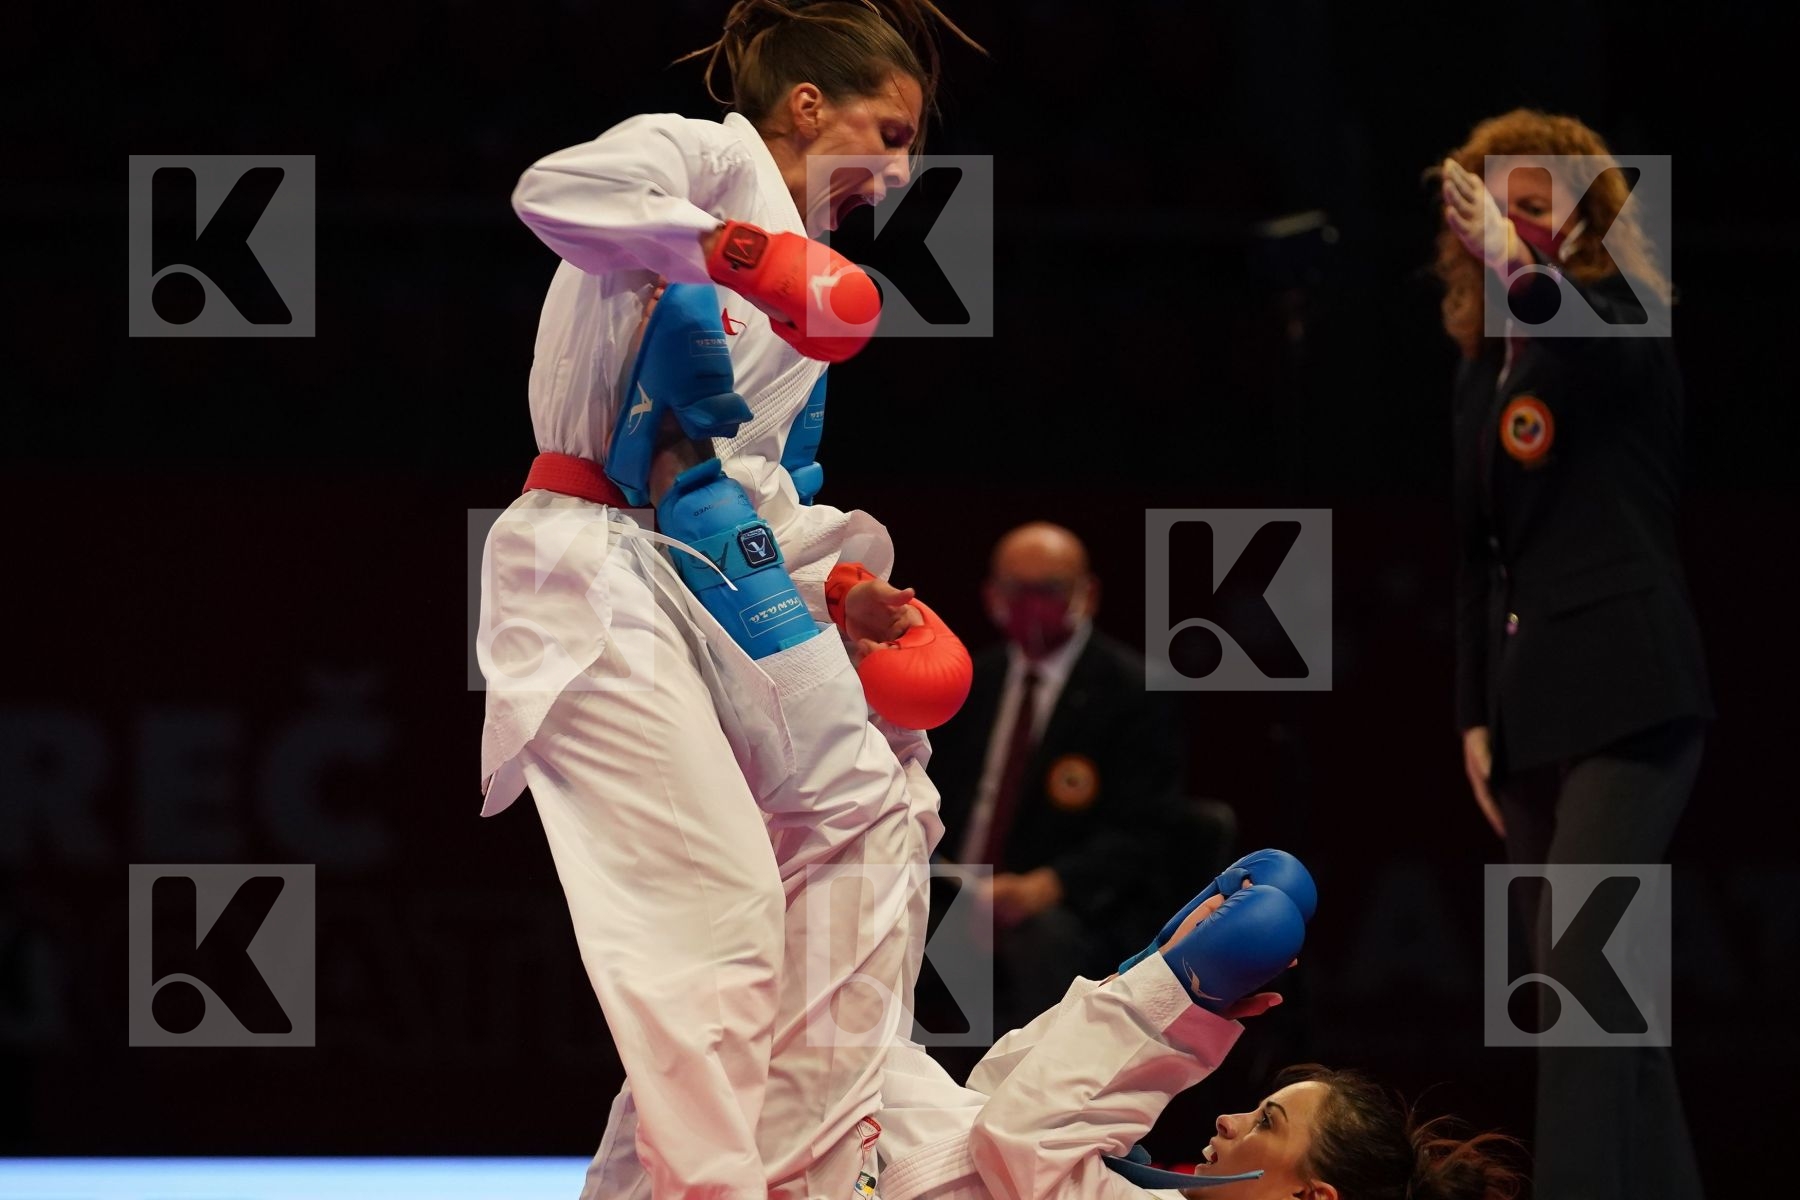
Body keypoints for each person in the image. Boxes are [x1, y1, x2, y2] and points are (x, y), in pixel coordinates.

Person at [475, 4, 981, 1198]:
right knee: (718, 912)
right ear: (809, 106)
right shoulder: (703, 161)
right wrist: (738, 251)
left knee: (874, 810)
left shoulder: (812, 306)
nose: (900, 173)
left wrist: (843, 584)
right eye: (889, 132)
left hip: (698, 571)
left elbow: (758, 481)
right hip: (591, 558)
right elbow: (553, 191)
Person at [1435, 109, 1712, 1200]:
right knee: (1602, 1005)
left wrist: (1519, 269)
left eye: (1535, 204)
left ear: (1583, 219)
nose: (1508, 221)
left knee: (1584, 990)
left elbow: (1586, 341)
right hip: (1526, 711)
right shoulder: (1476, 375)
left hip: (1632, 692)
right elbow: (1475, 561)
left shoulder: (1622, 322)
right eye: (1491, 204)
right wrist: (1471, 714)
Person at [929, 522, 1190, 1031]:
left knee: (1040, 939)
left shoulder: (1134, 691)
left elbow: (1145, 828)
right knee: (870, 915)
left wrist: (1047, 885)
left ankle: (1033, 1096)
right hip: (959, 889)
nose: (1030, 605)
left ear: (1086, 594)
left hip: (1067, 903)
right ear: (991, 596)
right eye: (1014, 590)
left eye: (1048, 589)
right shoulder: (967, 680)